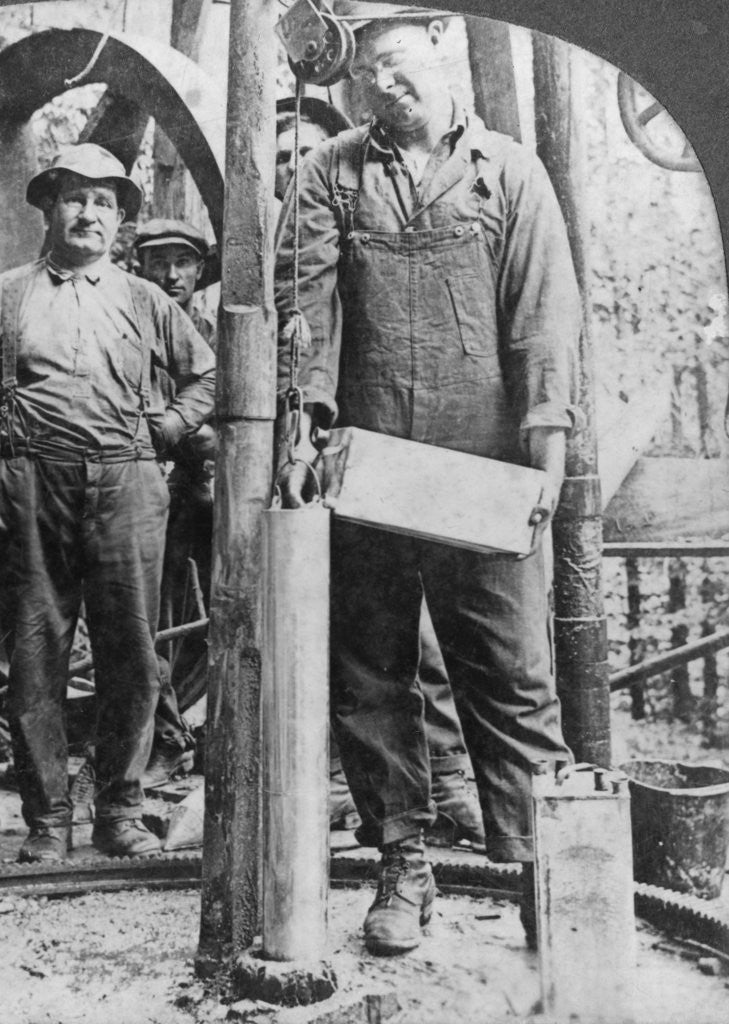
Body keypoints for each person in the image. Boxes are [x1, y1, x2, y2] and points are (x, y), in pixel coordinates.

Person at [275, 3, 579, 955]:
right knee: (369, 675)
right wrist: (301, 422)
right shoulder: (328, 175)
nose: (384, 85)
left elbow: (543, 325)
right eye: (366, 73)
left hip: (478, 474)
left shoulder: (509, 173)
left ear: (442, 52)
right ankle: (402, 870)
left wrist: (547, 459)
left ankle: (541, 876)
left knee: (512, 678)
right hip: (361, 468)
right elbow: (305, 313)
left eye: (400, 64)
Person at [0, 144, 216, 862]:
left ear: (119, 218)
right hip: (33, 485)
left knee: (131, 651)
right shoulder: (1, 298)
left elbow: (207, 378)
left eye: (103, 201)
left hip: (128, 483)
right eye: (74, 197)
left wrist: (171, 426)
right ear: (48, 208)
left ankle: (119, 811)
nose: (87, 212)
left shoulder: (145, 299)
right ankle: (47, 821)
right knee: (36, 656)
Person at [276, 94, 485, 849]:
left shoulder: (460, 191)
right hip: (348, 456)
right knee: (368, 657)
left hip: (451, 448)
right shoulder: (286, 239)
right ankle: (402, 850)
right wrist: (301, 437)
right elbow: (304, 330)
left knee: (470, 654)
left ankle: (471, 801)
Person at [132, 218, 219, 788]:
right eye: (158, 262)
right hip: (154, 490)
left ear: (198, 269)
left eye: (182, 263)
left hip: (216, 490)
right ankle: (166, 739)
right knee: (150, 619)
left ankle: (222, 737)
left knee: (232, 609)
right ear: (139, 268)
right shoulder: (128, 324)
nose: (171, 275)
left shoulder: (218, 328)